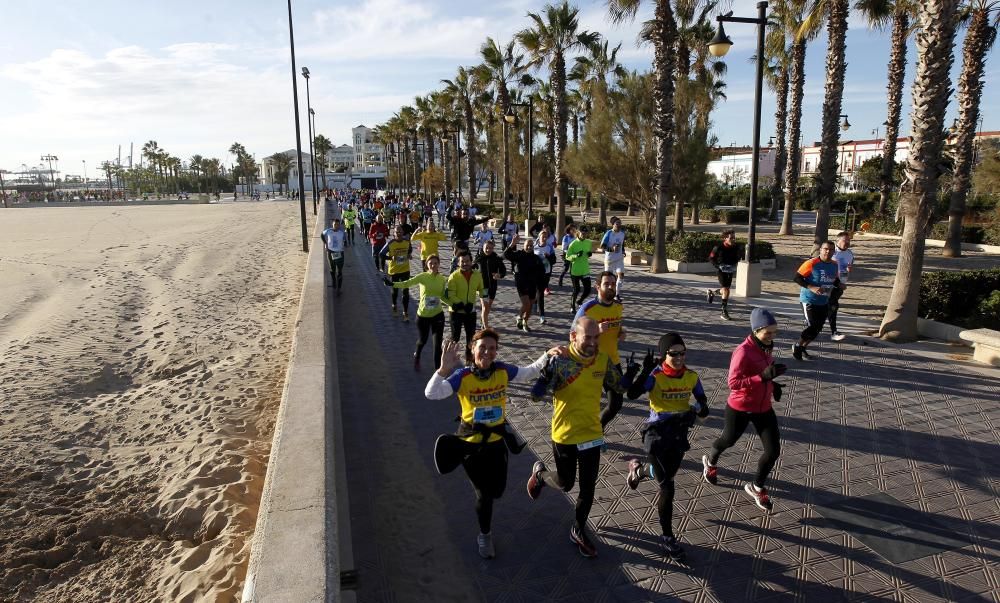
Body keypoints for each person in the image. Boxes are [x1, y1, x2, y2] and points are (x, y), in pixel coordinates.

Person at [424, 331, 551, 559]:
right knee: (483, 495)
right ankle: (485, 535)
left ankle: (488, 515)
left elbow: (529, 372)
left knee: (497, 491)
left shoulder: (502, 371)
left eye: (492, 348)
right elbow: (431, 393)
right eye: (482, 347)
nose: (487, 352)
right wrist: (444, 369)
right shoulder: (462, 376)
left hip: (497, 443)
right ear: (473, 349)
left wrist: (546, 355)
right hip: (470, 445)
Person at [525, 316, 639, 558]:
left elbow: (619, 388)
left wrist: (634, 371)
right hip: (564, 434)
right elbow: (535, 397)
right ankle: (541, 475)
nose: (593, 342)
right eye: (588, 337)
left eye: (596, 337)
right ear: (573, 337)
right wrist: (544, 378)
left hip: (591, 433)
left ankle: (577, 530)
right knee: (566, 483)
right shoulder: (560, 361)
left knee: (588, 488)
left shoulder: (602, 359)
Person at [624, 333, 710, 562]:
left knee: (666, 474)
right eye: (674, 354)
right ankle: (668, 537)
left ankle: (639, 470)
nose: (680, 358)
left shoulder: (692, 376)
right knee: (667, 487)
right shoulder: (656, 375)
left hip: (679, 434)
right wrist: (645, 371)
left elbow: (703, 402)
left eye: (683, 353)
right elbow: (631, 394)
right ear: (664, 355)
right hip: (657, 435)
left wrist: (700, 409)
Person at [701, 308, 786, 512]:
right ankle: (710, 461)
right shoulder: (743, 351)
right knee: (728, 441)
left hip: (763, 407)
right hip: (740, 407)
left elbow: (763, 373)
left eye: (775, 332)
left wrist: (772, 386)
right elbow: (733, 383)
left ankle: (757, 487)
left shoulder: (766, 347)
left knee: (773, 451)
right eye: (768, 333)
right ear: (756, 330)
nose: (772, 337)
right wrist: (762, 378)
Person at [576, 271, 626, 425]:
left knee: (616, 404)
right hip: (592, 362)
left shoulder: (618, 306)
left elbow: (617, 326)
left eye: (612, 284)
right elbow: (573, 334)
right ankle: (584, 434)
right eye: (606, 284)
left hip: (612, 361)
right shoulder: (588, 308)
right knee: (588, 404)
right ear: (597, 287)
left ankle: (598, 429)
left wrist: (621, 332)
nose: (610, 287)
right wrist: (595, 329)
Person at [385, 254, 448, 370]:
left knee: (437, 345)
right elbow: (406, 283)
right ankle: (417, 356)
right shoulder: (422, 277)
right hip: (423, 316)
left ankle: (437, 372)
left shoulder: (442, 279)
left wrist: (455, 305)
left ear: (439, 264)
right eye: (431, 263)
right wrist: (393, 284)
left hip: (438, 315)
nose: (433, 265)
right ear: (426, 265)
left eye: (435, 263)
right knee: (422, 341)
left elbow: (442, 297)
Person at [792, 240, 841, 360]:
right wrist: (811, 287)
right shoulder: (811, 263)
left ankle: (803, 348)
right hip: (809, 300)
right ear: (821, 250)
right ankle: (797, 346)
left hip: (824, 301)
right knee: (813, 326)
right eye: (826, 249)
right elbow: (797, 278)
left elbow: (833, 279)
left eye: (831, 250)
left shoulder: (835, 265)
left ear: (834, 251)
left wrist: (840, 284)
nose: (828, 252)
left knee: (818, 328)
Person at [444, 251, 485, 354]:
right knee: (455, 337)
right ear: (458, 263)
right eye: (462, 261)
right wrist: (461, 304)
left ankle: (469, 360)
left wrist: (484, 296)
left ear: (471, 262)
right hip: (456, 311)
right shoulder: (453, 276)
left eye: (467, 261)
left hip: (470, 311)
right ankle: (450, 358)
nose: (465, 263)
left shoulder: (477, 275)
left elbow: (481, 289)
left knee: (471, 337)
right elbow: (450, 294)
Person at [504, 234, 546, 331]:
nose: (529, 247)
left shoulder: (536, 258)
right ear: (523, 245)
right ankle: (519, 316)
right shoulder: (519, 255)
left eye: (531, 245)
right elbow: (506, 255)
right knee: (526, 304)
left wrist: (542, 285)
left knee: (530, 306)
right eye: (527, 245)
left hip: (532, 284)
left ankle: (525, 323)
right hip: (521, 283)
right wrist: (512, 244)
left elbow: (542, 272)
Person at [379, 226, 414, 321]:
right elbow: (381, 254)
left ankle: (405, 313)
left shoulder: (407, 242)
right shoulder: (390, 243)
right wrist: (391, 258)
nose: (398, 233)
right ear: (394, 233)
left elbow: (410, 249)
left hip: (405, 269)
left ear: (403, 232)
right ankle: (394, 304)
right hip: (394, 271)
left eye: (400, 231)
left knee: (405, 292)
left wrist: (409, 255)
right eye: (396, 232)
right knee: (395, 291)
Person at [708, 229, 740, 321]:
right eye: (731, 238)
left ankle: (712, 293)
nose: (733, 239)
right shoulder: (718, 247)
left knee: (724, 290)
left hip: (730, 270)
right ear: (725, 238)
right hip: (721, 270)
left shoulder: (736, 247)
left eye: (734, 238)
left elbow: (737, 257)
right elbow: (711, 258)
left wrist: (735, 264)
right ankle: (723, 311)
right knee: (726, 290)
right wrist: (719, 266)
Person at [475, 239, 507, 329]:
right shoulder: (479, 258)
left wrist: (499, 275)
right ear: (483, 248)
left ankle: (483, 320)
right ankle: (485, 327)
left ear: (493, 248)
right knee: (485, 307)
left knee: (488, 307)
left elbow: (503, 270)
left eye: (490, 248)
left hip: (493, 286)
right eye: (486, 248)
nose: (488, 250)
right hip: (482, 287)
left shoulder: (496, 258)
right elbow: (472, 268)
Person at [829, 232, 854, 341]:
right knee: (833, 306)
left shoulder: (850, 254)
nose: (847, 243)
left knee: (831, 307)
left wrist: (848, 272)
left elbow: (847, 269)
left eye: (849, 240)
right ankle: (834, 331)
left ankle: (833, 330)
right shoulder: (830, 252)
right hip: (828, 283)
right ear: (837, 241)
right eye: (845, 240)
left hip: (840, 285)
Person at [565, 227, 593, 312]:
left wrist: (589, 254)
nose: (584, 234)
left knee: (588, 290)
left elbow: (588, 252)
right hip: (575, 270)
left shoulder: (588, 242)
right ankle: (572, 306)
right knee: (576, 290)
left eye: (585, 233)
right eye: (582, 233)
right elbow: (567, 257)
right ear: (578, 233)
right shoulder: (573, 244)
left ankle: (580, 301)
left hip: (585, 270)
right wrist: (576, 255)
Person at [598, 218, 626, 302]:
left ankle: (616, 294)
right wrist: (612, 249)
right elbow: (602, 246)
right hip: (609, 259)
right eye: (617, 223)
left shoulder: (622, 233)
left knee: (621, 275)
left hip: (619, 259)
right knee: (607, 278)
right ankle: (603, 292)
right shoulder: (609, 233)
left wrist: (623, 251)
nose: (619, 225)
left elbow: (622, 243)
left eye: (620, 223)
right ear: (613, 225)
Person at [320, 217, 346, 292]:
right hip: (330, 252)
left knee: (339, 271)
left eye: (338, 225)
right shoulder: (328, 231)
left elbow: (345, 240)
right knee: (332, 269)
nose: (336, 226)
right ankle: (334, 281)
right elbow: (322, 235)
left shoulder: (342, 233)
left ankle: (339, 288)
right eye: (335, 224)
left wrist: (344, 243)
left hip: (339, 253)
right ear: (333, 224)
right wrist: (325, 243)